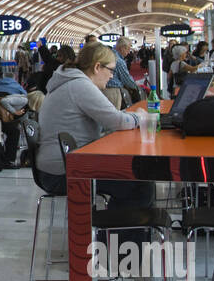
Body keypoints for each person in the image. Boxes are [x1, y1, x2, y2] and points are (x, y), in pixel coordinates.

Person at [35, 43, 155, 214]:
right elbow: (117, 121)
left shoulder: (69, 81)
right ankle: (117, 238)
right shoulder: (79, 85)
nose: (112, 76)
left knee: (135, 179)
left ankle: (117, 234)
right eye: (111, 70)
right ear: (97, 67)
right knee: (138, 184)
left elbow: (110, 117)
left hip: (56, 167)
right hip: (62, 173)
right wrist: (140, 117)